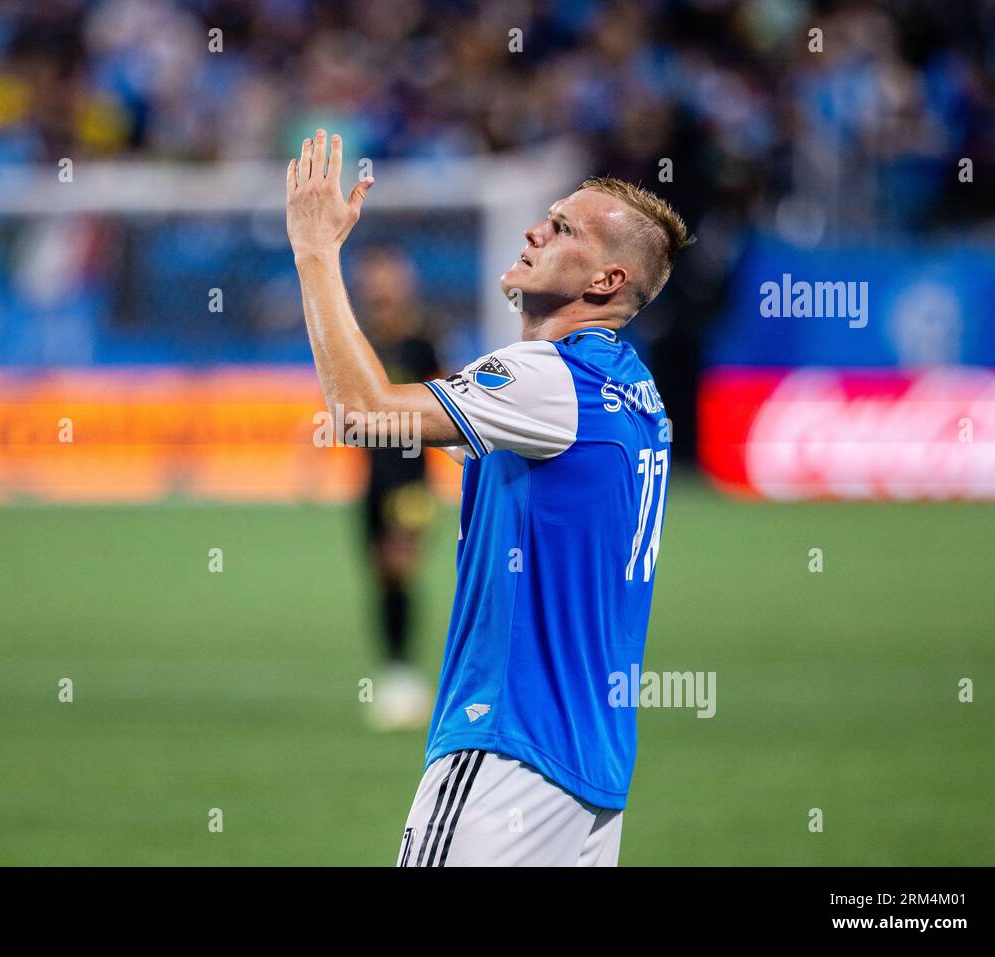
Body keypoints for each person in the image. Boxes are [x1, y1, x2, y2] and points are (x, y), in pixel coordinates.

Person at [286, 130, 692, 866]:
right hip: (590, 776)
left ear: (605, 282)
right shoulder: (633, 389)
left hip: (507, 744)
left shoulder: (549, 378)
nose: (537, 228)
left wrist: (314, 254)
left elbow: (363, 411)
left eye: (565, 227)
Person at [352, 248, 442, 732]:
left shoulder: (421, 338)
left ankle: (406, 676)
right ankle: (393, 672)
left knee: (399, 566)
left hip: (411, 480)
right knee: (379, 575)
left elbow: (445, 396)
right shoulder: (360, 341)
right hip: (372, 478)